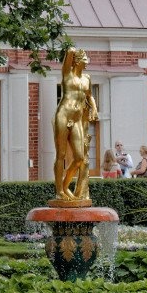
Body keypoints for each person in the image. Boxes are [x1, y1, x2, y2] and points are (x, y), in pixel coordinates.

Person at [52, 47, 100, 202]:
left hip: (77, 119)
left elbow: (89, 96)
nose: (87, 63)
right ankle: (59, 191)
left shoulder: (87, 78)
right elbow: (69, 53)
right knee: (61, 155)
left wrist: (94, 108)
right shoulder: (67, 74)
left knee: (79, 157)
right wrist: (73, 51)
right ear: (78, 61)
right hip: (63, 116)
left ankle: (66, 186)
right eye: (85, 59)